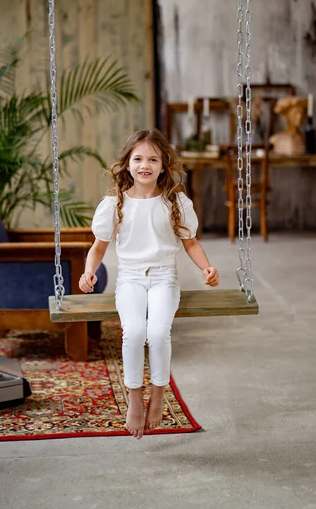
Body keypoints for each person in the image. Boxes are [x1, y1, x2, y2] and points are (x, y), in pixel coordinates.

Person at [79, 129, 219, 440]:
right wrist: (89, 271)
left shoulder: (175, 201)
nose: (145, 165)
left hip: (163, 276)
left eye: (153, 159)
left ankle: (158, 395)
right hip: (129, 277)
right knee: (134, 333)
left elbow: (191, 242)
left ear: (163, 165)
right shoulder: (114, 203)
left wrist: (206, 268)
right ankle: (134, 400)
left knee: (157, 333)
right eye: (138, 158)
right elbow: (99, 247)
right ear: (126, 164)